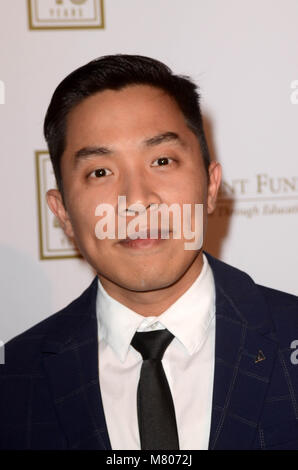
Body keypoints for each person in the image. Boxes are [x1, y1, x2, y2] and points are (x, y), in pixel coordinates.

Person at [1, 55, 298, 451]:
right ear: (63, 213)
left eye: (162, 161)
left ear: (210, 187)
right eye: (100, 172)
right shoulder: (14, 378)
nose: (136, 201)